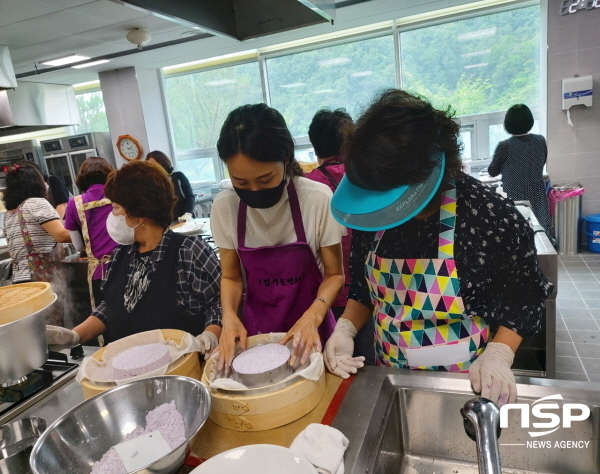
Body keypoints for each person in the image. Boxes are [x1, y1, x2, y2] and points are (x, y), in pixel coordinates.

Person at [324, 90, 553, 407]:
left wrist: (500, 353)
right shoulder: (372, 217)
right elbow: (363, 289)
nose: (386, 213)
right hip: (391, 379)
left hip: (467, 383)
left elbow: (523, 296)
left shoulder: (487, 217)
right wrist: (345, 329)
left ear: (427, 175)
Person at [211, 103, 344, 370]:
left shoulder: (316, 199)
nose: (254, 190)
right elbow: (231, 276)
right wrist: (228, 316)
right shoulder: (225, 208)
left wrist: (314, 314)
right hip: (256, 335)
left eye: (265, 179)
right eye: (240, 182)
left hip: (312, 330)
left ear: (286, 159)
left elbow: (334, 274)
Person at [46, 161, 222, 354]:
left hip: (178, 367)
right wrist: (75, 336)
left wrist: (209, 335)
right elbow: (111, 308)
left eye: (115, 207)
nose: (111, 216)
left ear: (140, 212)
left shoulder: (188, 252)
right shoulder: (121, 254)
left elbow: (218, 304)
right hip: (126, 364)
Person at [305, 108, 375, 366]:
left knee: (332, 370)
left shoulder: (306, 189)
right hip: (368, 297)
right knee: (368, 370)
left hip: (325, 301)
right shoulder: (368, 179)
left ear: (314, 145)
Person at [2, 162, 71, 325]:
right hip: (42, 280)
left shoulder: (10, 213)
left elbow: (13, 252)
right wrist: (89, 231)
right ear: (35, 182)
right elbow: (61, 235)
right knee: (52, 327)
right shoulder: (36, 203)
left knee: (35, 329)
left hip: (21, 282)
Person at [488, 104, 552, 233]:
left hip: (514, 194)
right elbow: (542, 160)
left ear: (508, 124)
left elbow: (492, 171)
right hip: (537, 193)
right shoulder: (540, 140)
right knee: (539, 231)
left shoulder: (505, 145)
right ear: (530, 121)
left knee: (516, 231)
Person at [64, 157, 117, 310]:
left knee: (105, 321)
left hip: (99, 273)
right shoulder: (119, 195)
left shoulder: (75, 203)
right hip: (127, 267)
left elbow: (79, 246)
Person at [146, 150, 195, 222]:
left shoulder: (178, 177)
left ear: (163, 164)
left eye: (154, 165)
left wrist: (187, 214)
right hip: (166, 224)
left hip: (185, 221)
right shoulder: (151, 185)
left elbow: (190, 196)